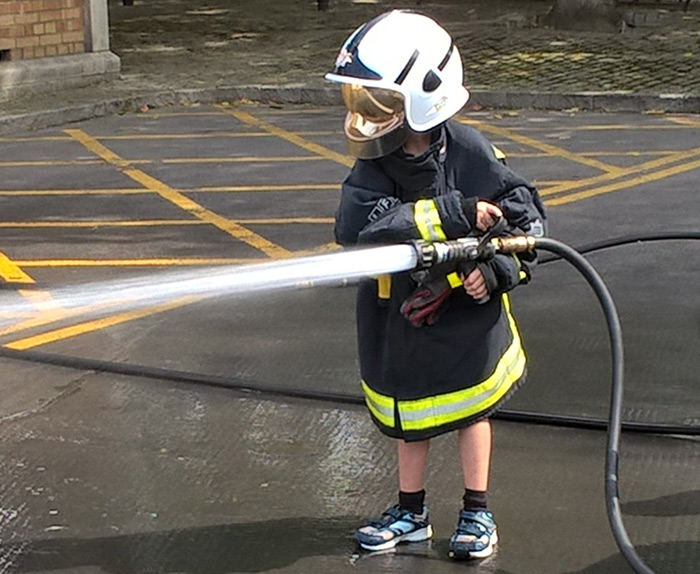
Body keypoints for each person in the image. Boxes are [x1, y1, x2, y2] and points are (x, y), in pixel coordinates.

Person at [325, 10, 547, 560]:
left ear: (424, 96)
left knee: (472, 414)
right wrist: (451, 213)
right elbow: (357, 227)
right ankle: (410, 511)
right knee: (412, 418)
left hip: (466, 322)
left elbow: (528, 222)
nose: (366, 118)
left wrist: (494, 272)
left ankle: (477, 510)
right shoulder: (373, 168)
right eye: (360, 102)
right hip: (399, 319)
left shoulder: (471, 152)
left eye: (379, 104)